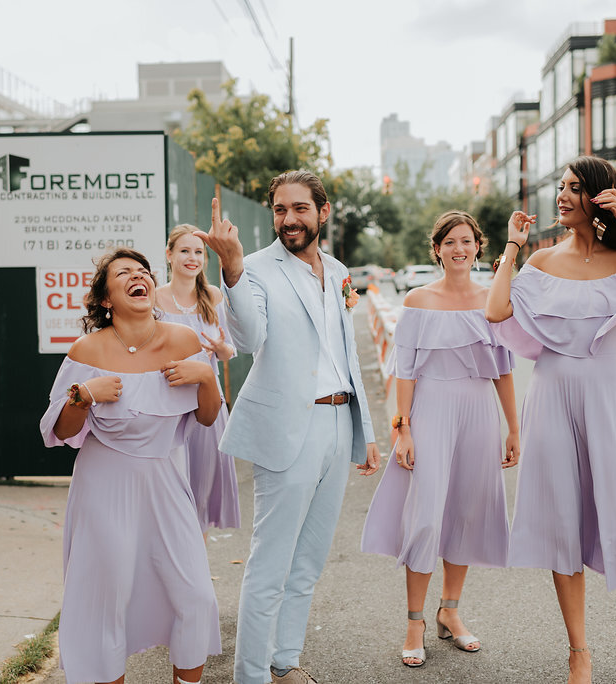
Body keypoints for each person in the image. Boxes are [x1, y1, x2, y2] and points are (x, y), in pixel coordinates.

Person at [485, 156, 616, 684]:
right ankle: (579, 654)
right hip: (550, 395)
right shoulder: (543, 262)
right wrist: (511, 246)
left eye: (574, 188)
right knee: (562, 527)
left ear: (599, 197)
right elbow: (496, 310)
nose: (562, 196)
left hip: (605, 394)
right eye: (561, 187)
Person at [194, 171, 382, 684]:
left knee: (309, 561)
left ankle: (285, 661)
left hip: (338, 421)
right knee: (270, 563)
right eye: (280, 209)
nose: (288, 219)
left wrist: (362, 431)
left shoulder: (340, 271)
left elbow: (345, 355)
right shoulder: (253, 268)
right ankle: (250, 676)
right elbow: (251, 338)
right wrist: (230, 269)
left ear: (323, 211)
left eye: (300, 208)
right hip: (287, 428)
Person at [39, 248, 223, 684]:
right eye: (124, 273)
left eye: (143, 271)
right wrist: (83, 394)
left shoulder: (185, 340)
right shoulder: (88, 349)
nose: (138, 276)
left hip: (165, 478)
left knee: (195, 594)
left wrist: (207, 378)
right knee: (108, 597)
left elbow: (208, 417)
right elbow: (62, 431)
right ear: (106, 299)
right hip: (105, 482)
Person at [360, 210, 520, 669]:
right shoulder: (418, 300)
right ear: (437, 249)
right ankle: (415, 621)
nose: (458, 249)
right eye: (449, 241)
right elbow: (405, 371)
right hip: (430, 409)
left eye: (466, 241)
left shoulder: (493, 300)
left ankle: (450, 610)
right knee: (426, 516)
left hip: (479, 412)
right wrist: (403, 428)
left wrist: (513, 427)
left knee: (466, 512)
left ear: (478, 247)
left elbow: (504, 369)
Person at [155, 224, 241, 535]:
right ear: (169, 255)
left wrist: (220, 347)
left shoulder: (213, 296)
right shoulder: (153, 299)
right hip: (165, 404)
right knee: (168, 494)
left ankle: (195, 575)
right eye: (184, 251)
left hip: (207, 406)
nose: (192, 258)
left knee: (200, 495)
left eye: (198, 252)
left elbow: (230, 351)